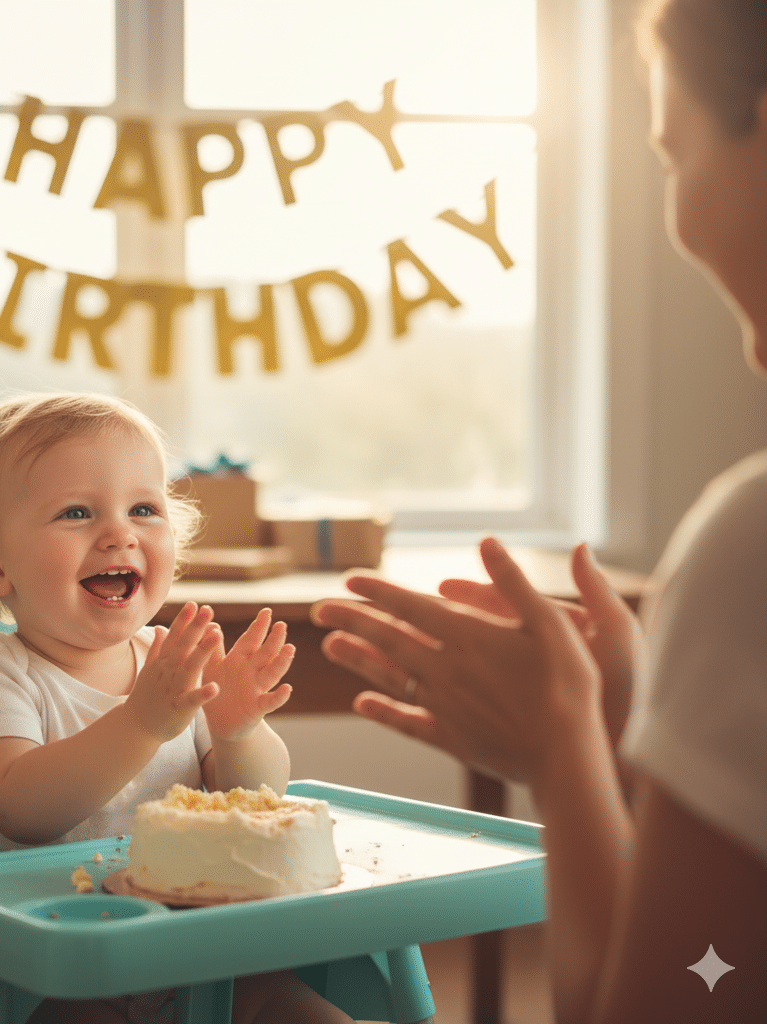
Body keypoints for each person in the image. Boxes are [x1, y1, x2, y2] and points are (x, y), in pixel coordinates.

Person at [311, 2, 767, 1022]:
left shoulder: (750, 542)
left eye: (672, 152)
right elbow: (730, 953)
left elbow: (674, 1001)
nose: (677, 210)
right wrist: (629, 750)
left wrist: (565, 761)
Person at [0, 392, 355, 1024]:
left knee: (302, 1011)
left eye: (144, 509)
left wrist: (238, 732)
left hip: (197, 945)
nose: (119, 534)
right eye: (76, 512)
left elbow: (251, 801)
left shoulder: (175, 660)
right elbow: (23, 811)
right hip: (49, 960)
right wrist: (142, 723)